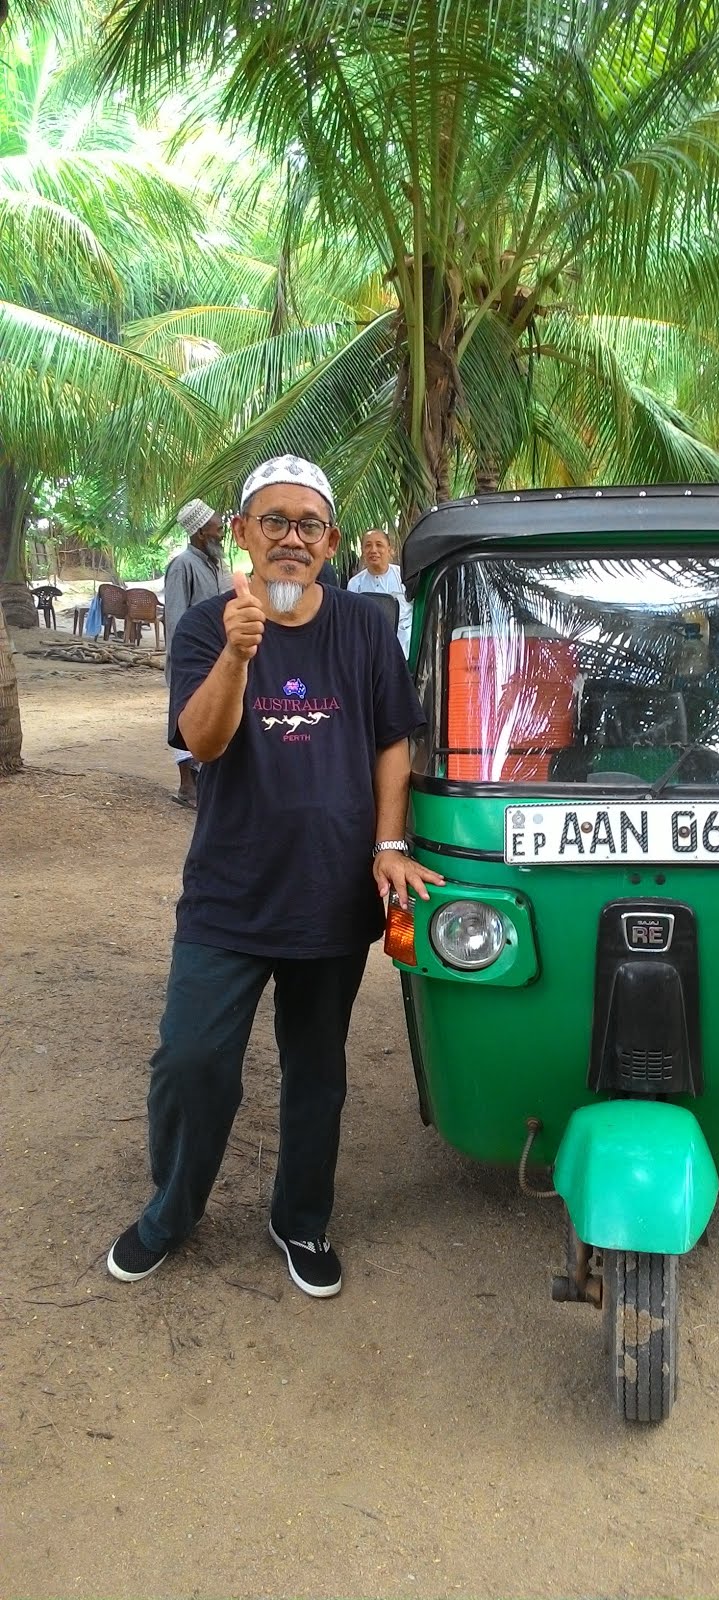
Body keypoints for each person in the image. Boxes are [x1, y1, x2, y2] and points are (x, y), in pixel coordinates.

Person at [107, 455, 444, 1298]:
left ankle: (301, 1218)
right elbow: (204, 741)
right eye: (273, 522)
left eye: (307, 525)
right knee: (191, 1059)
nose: (291, 539)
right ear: (243, 534)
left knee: (316, 1071)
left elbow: (392, 742)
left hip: (330, 894)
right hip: (229, 890)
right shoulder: (205, 627)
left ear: (330, 541)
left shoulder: (367, 628)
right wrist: (237, 654)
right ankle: (172, 1210)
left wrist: (388, 843)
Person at [164, 499, 228, 808]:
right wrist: (184, 661)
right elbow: (176, 618)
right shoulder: (182, 566)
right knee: (185, 716)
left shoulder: (217, 564)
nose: (223, 532)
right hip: (192, 659)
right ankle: (186, 786)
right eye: (218, 527)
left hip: (220, 657)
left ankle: (205, 786)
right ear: (202, 531)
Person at [347, 528, 413, 655]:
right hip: (368, 651)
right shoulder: (355, 584)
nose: (373, 550)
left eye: (379, 545)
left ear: (390, 550)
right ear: (362, 551)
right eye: (368, 546)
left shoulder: (405, 578)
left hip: (403, 650)